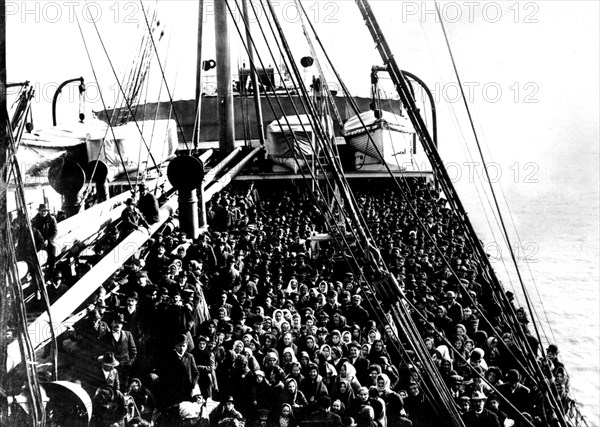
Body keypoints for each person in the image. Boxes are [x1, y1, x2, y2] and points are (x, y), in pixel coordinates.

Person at [158, 334, 200, 408]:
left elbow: (196, 373)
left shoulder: (189, 357)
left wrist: (193, 383)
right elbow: (164, 373)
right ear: (175, 346)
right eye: (179, 346)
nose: (182, 348)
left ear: (186, 346)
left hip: (187, 389)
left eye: (183, 346)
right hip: (174, 391)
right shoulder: (169, 358)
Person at [31, 203, 58, 274]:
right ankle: (34, 271)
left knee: (52, 254)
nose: (43, 212)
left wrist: (48, 240)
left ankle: (51, 272)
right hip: (39, 241)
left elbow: (54, 232)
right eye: (42, 211)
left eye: (45, 211)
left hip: (49, 240)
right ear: (39, 211)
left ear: (47, 211)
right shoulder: (35, 220)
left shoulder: (52, 219)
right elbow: (33, 231)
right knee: (33, 254)